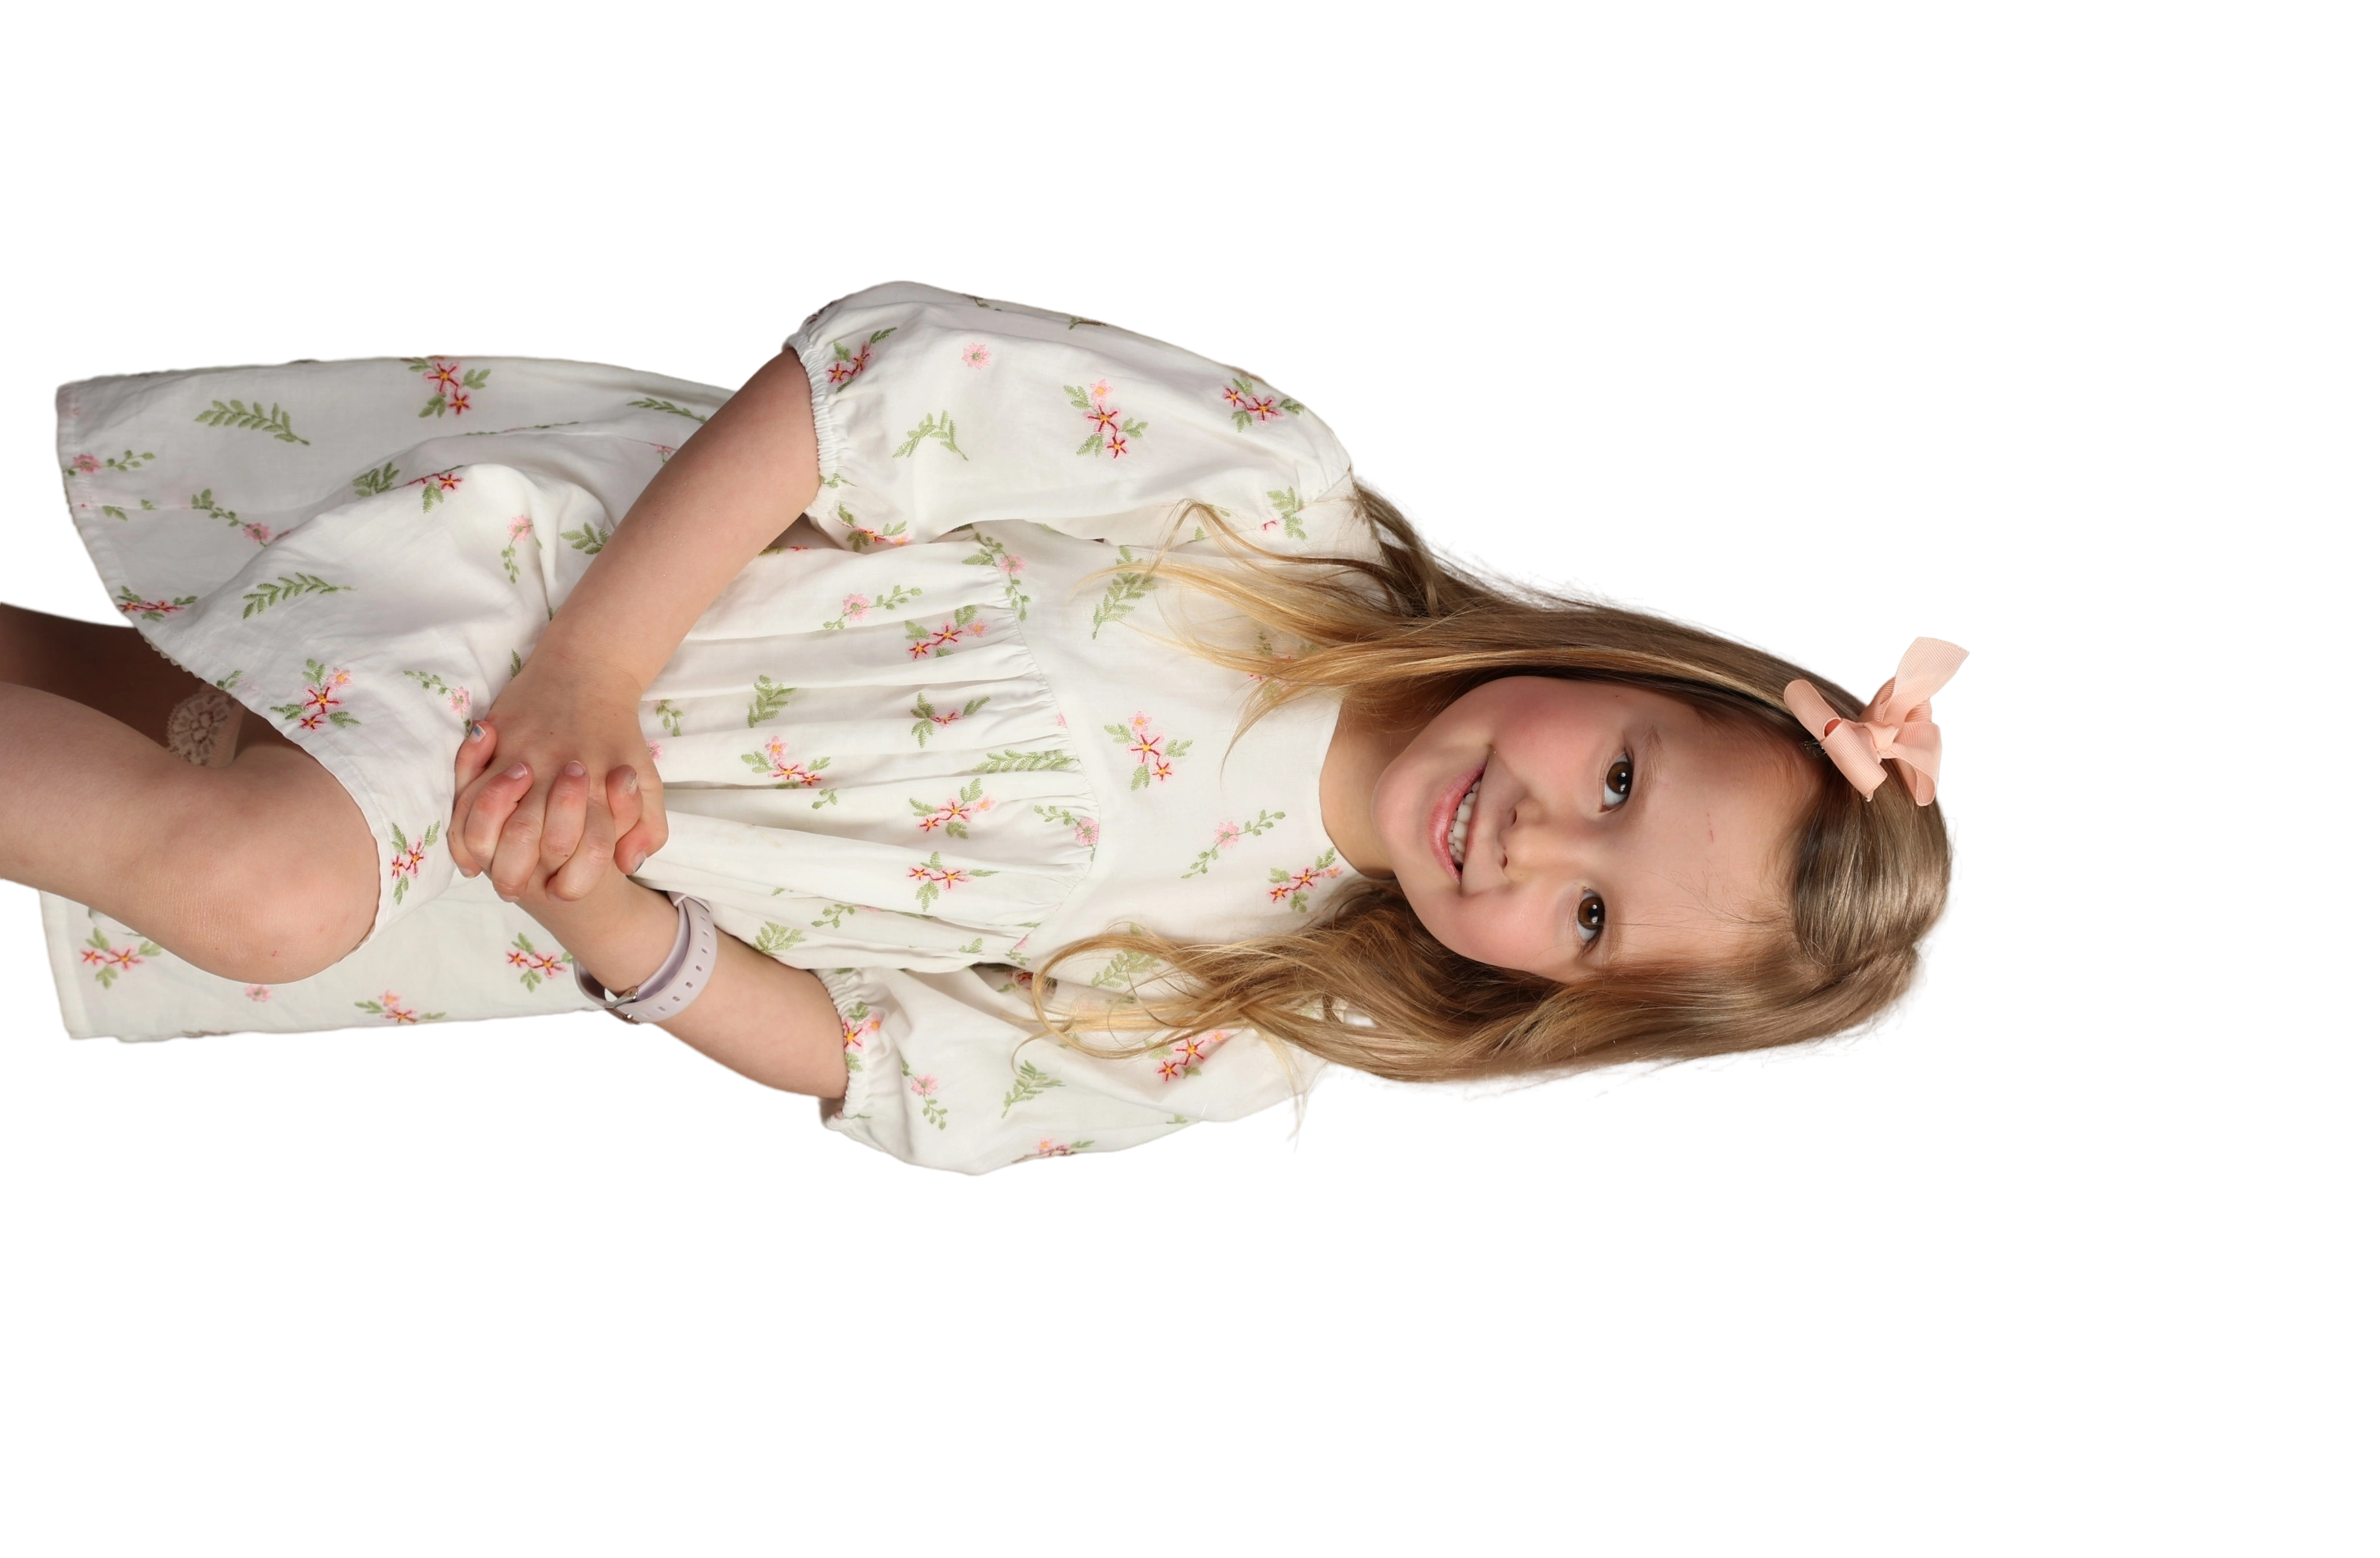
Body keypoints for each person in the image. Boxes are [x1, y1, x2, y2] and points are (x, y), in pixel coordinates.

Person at [33, 279, 1966, 1177]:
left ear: (1564, 1005)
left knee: (154, 739)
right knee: (260, 881)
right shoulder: (1269, 512)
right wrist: (595, 669)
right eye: (1617, 779)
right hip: (564, 593)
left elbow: (890, 1065)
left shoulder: (1244, 1011)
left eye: (1594, 916)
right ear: (1636, 670)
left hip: (535, 853)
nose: (1538, 842)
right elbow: (868, 387)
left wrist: (613, 928)